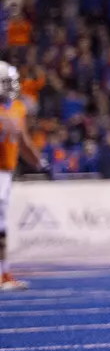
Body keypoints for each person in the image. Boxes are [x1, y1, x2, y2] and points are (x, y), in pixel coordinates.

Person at [0, 61, 43, 291]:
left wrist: (37, 160)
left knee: (2, 226)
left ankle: (4, 273)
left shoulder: (17, 107)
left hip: (7, 173)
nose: (12, 86)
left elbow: (22, 139)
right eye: (7, 82)